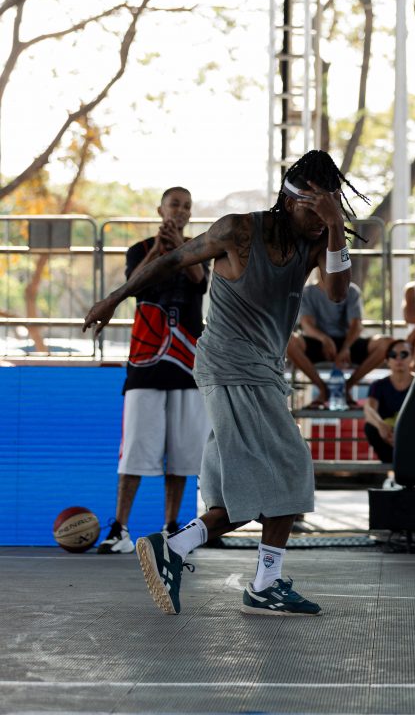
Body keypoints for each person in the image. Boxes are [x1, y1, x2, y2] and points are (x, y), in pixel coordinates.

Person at [84, 149, 367, 617]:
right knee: (292, 470)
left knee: (243, 491)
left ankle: (182, 549)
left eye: (329, 212)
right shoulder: (239, 230)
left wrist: (335, 225)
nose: (321, 223)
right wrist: (115, 297)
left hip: (262, 371)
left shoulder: (318, 240)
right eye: (314, 212)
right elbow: (172, 261)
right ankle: (254, 579)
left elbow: (337, 294)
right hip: (231, 365)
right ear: (290, 201)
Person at [96, 187, 210, 555]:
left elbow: (199, 281)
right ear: (160, 209)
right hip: (145, 363)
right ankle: (120, 528)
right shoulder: (139, 249)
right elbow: (133, 285)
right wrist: (159, 250)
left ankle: (172, 527)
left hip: (187, 362)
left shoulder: (200, 247)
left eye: (187, 206)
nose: (181, 210)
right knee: (134, 452)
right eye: (175, 204)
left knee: (182, 454)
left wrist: (179, 248)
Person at [286, 280, 390, 407]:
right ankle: (322, 388)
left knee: (386, 344)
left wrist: (346, 347)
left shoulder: (352, 290)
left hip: (349, 341)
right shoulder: (308, 292)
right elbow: (307, 324)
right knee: (288, 341)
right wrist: (324, 339)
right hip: (318, 342)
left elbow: (356, 325)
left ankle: (347, 387)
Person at [362, 338, 412, 467]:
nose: (398, 359)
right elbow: (369, 410)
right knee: (370, 427)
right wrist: (381, 426)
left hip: (413, 437)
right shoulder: (379, 385)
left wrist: (403, 435)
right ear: (387, 360)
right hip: (387, 437)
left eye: (404, 354)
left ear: (412, 358)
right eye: (393, 355)